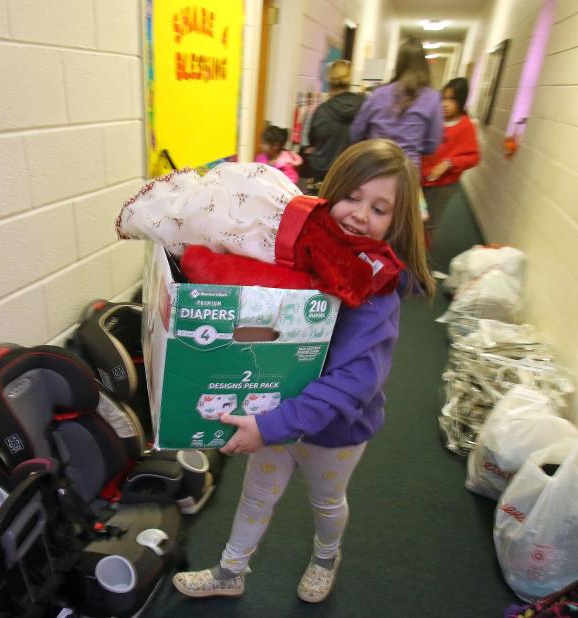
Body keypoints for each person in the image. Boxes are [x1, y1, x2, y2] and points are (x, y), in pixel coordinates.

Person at [171, 139, 435, 604]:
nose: (358, 214)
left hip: (335, 432)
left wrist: (271, 425)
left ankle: (326, 556)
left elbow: (355, 382)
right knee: (256, 495)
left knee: (326, 501)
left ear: (396, 223)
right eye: (351, 196)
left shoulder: (376, 294)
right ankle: (231, 570)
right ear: (329, 193)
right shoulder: (303, 255)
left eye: (378, 208)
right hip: (274, 413)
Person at [350, 37, 444, 168]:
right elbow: (432, 146)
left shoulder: (377, 94)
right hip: (408, 170)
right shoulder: (433, 98)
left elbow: (355, 134)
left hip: (374, 166)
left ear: (399, 63)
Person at [420, 77, 480, 241]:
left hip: (442, 186)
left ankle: (420, 259)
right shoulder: (433, 120)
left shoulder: (465, 126)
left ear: (461, 101)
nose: (445, 104)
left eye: (451, 99)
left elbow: (474, 157)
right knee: (411, 218)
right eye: (443, 98)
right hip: (419, 180)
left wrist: (449, 163)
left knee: (428, 223)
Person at [301, 60, 365, 183]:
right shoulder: (364, 106)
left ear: (329, 81)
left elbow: (312, 142)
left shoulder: (321, 111)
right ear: (349, 80)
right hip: (352, 174)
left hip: (322, 175)